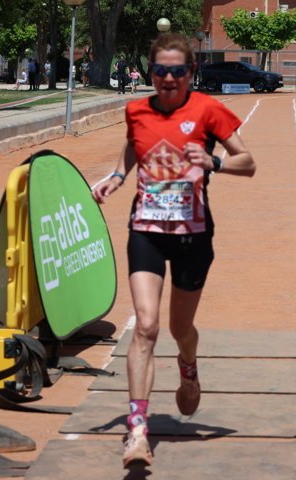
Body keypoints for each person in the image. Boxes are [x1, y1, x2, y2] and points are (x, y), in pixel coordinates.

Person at [92, 33, 256, 468]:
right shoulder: (136, 110)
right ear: (151, 72)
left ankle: (188, 364)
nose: (168, 78)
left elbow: (249, 163)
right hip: (145, 228)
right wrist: (117, 176)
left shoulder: (208, 110)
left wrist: (214, 162)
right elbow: (134, 143)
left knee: (180, 327)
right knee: (146, 327)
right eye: (161, 71)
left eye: (177, 71)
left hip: (192, 234)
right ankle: (137, 432)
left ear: (191, 72)